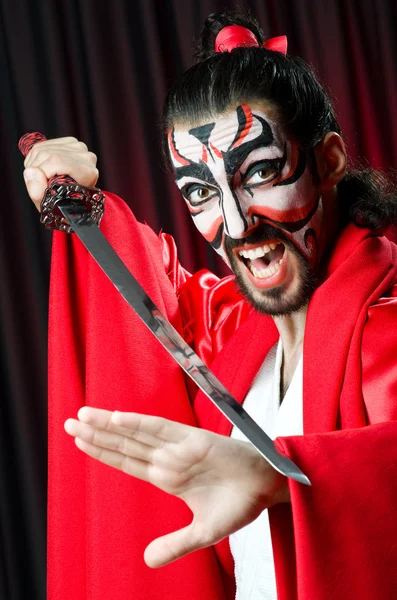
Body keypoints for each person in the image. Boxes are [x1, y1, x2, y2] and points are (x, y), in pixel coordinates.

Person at [23, 10, 397, 600]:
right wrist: (80, 198)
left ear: (328, 161)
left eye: (262, 172)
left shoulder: (388, 325)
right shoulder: (233, 332)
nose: (239, 225)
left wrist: (285, 480)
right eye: (202, 192)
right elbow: (152, 286)